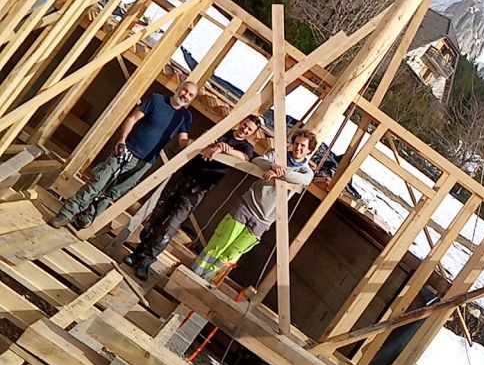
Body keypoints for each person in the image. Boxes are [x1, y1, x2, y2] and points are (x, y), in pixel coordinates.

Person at [123, 115, 262, 281]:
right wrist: (210, 139)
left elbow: (245, 158)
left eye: (249, 129)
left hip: (198, 188)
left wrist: (223, 149)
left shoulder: (245, 147)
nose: (245, 129)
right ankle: (137, 253)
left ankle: (146, 262)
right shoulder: (223, 131)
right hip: (183, 177)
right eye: (245, 125)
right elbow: (202, 137)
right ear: (241, 122)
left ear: (252, 133)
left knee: (171, 225)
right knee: (157, 216)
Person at [52, 81, 198, 230]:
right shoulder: (157, 100)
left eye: (190, 95)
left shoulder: (184, 117)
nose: (186, 95)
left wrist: (200, 144)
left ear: (192, 99)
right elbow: (132, 119)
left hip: (144, 163)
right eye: (184, 90)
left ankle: (85, 218)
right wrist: (122, 140)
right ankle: (66, 214)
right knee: (98, 183)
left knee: (113, 193)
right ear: (178, 89)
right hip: (128, 150)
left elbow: (183, 142)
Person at [191, 128, 317, 281]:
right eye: (296, 144)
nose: (298, 148)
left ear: (309, 150)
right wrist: (273, 166)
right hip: (248, 205)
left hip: (265, 219)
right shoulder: (278, 156)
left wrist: (280, 172)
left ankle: (207, 278)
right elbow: (257, 160)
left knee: (233, 253)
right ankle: (195, 272)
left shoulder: (306, 171)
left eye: (303, 146)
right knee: (221, 241)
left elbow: (305, 180)